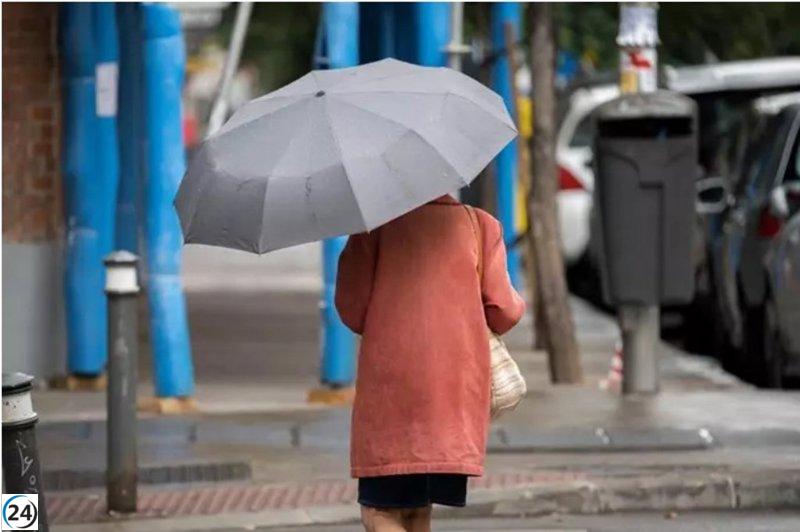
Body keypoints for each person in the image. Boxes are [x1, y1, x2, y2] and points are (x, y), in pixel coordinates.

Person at [335, 194, 526, 532]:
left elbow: (351, 308)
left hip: (392, 393)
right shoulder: (478, 225)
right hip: (452, 394)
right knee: (417, 512)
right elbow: (504, 310)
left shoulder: (374, 228)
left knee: (380, 513)